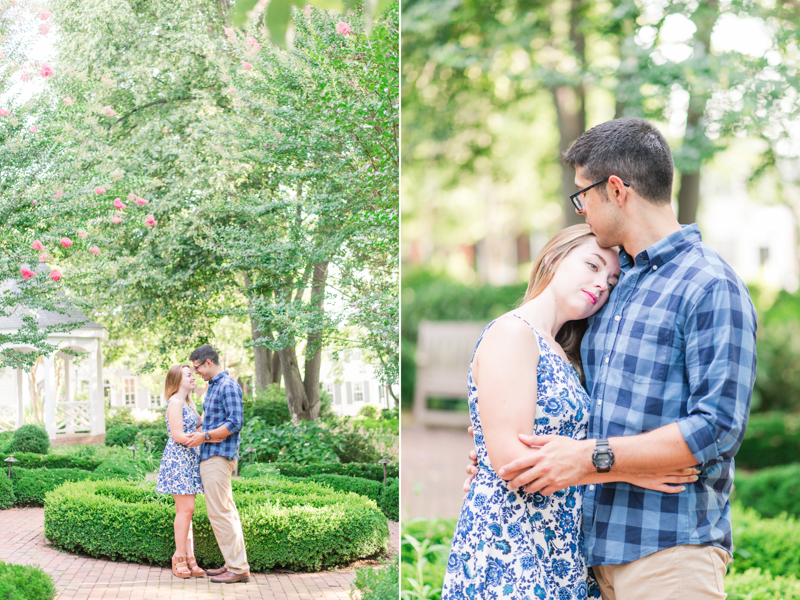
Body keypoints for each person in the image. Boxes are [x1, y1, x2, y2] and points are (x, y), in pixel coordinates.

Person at [466, 117, 758, 599]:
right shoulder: (616, 284)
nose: (581, 210)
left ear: (616, 189)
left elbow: (719, 425)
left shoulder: (709, 285)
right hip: (590, 556)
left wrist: (591, 459)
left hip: (669, 552)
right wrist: (498, 454)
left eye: (583, 195)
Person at [442, 225, 698, 600]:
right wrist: (634, 471)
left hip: (557, 541)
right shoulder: (513, 333)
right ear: (553, 259)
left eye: (611, 281)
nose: (601, 285)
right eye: (592, 266)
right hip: (510, 539)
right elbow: (513, 463)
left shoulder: (563, 351)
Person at [185, 344, 250, 584]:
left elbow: (235, 422)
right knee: (225, 511)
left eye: (197, 367)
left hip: (218, 456)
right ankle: (234, 563)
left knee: (220, 512)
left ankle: (238, 568)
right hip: (212, 454)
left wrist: (206, 436)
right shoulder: (214, 387)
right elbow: (215, 422)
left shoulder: (227, 385)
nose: (196, 372)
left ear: (208, 362)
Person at [155, 364, 206, 579]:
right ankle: (179, 557)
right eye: (188, 375)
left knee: (186, 511)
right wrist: (204, 439)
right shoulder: (175, 402)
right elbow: (178, 436)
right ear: (177, 379)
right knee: (187, 509)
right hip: (179, 459)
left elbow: (197, 426)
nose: (193, 377)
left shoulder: (187, 403)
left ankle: (189, 556)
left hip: (188, 459)